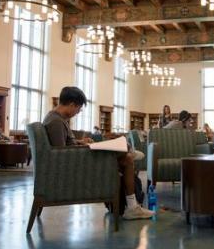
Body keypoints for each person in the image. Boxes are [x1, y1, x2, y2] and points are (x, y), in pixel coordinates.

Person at [43, 86, 153, 220]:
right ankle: (132, 206)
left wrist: (80, 142)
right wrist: (87, 147)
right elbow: (61, 155)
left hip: (77, 159)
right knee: (127, 157)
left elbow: (64, 146)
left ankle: (132, 206)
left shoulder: (55, 118)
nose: (78, 112)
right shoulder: (56, 122)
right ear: (72, 105)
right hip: (76, 166)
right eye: (78, 109)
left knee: (126, 158)